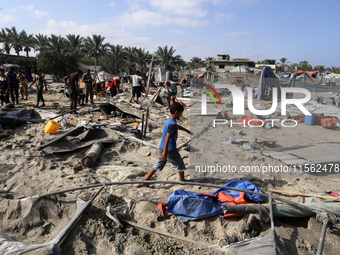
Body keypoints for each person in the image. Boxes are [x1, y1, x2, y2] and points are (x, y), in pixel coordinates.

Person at [143, 102, 192, 187]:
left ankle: (145, 181)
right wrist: (165, 153)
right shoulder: (172, 124)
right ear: (176, 112)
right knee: (180, 164)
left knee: (158, 164)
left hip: (162, 147)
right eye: (180, 113)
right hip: (170, 150)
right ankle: (183, 181)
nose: (181, 115)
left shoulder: (169, 120)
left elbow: (176, 126)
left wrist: (186, 130)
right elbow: (167, 138)